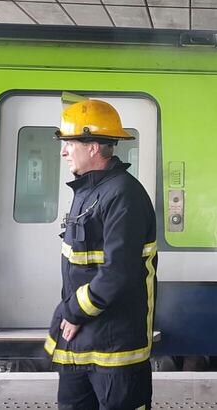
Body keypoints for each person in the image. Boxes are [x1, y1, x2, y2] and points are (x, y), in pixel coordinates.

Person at [45, 98, 158, 410]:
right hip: (81, 345)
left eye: (69, 143)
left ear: (93, 146)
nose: (63, 151)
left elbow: (118, 272)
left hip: (115, 350)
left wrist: (74, 312)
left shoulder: (124, 195)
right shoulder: (89, 192)